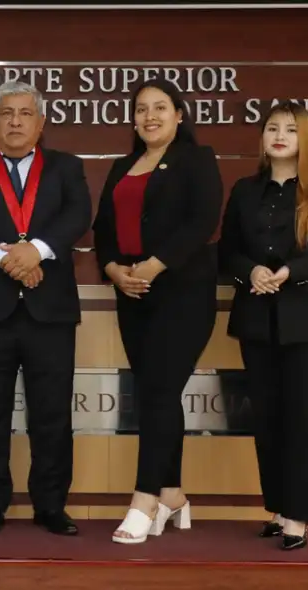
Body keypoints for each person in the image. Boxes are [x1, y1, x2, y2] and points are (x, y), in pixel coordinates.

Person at [0, 80, 93, 538]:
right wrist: (7, 258)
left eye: (25, 113)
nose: (15, 121)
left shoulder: (67, 167)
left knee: (51, 413)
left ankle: (51, 505)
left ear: (41, 123)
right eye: (6, 113)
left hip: (50, 312)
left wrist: (39, 250)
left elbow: (78, 215)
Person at [219, 102, 308, 550]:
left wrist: (291, 272)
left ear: (306, 140)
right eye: (272, 128)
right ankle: (278, 509)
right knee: (268, 419)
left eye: (290, 130)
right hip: (258, 319)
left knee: (303, 419)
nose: (279, 135)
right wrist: (249, 272)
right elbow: (228, 252)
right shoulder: (243, 190)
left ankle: (298, 516)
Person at [92, 78, 222, 545]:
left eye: (160, 107)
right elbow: (102, 228)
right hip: (133, 295)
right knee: (153, 394)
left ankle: (145, 498)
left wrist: (153, 264)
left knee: (162, 390)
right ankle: (172, 495)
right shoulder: (122, 166)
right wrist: (113, 268)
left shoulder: (197, 160)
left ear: (179, 114)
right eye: (142, 109)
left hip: (182, 292)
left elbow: (203, 220)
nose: (150, 116)